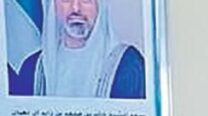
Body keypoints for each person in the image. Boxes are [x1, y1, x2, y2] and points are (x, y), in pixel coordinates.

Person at [7, 0, 145, 98]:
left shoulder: (128, 64)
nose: (75, 9)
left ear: (100, 5)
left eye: (86, 0)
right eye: (66, 0)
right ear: (53, 6)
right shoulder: (33, 68)